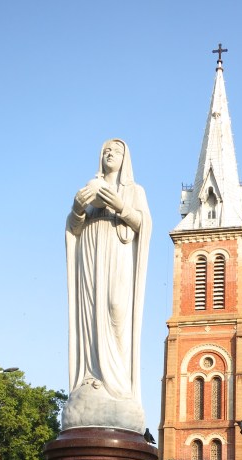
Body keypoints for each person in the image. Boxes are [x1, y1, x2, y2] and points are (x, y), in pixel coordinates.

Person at [63, 139, 152, 433]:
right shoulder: (89, 188)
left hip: (117, 253)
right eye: (105, 151)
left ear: (126, 158)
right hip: (90, 253)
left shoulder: (134, 191)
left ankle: (118, 383)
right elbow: (73, 228)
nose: (109, 154)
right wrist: (78, 207)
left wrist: (121, 206)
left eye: (115, 150)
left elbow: (143, 224)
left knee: (116, 308)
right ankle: (92, 376)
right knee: (91, 313)